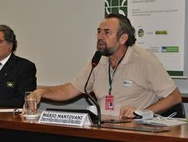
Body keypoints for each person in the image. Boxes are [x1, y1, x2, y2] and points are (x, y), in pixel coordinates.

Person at [33, 13, 182, 119]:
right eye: (98, 32)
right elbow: (70, 90)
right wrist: (43, 92)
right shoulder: (98, 60)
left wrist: (142, 112)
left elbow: (174, 97)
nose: (99, 37)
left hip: (135, 132)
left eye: (106, 32)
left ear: (123, 38)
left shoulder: (144, 60)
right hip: (104, 129)